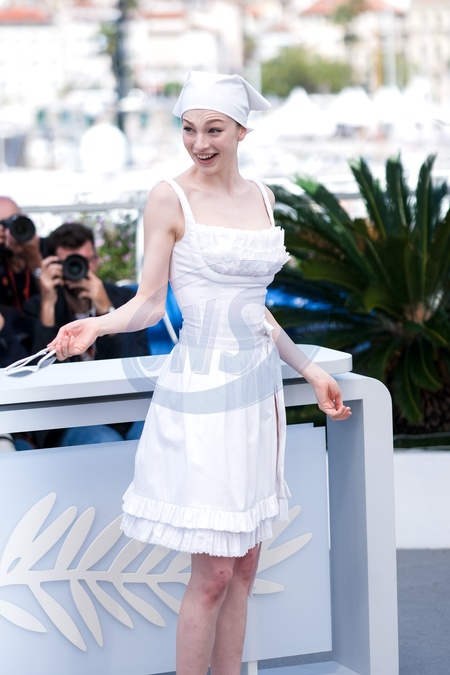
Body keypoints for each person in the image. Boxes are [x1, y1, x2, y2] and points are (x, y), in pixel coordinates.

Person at [49, 70, 351, 674]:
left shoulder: (262, 197)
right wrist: (96, 326)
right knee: (212, 574)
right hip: (203, 391)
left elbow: (254, 310)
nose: (199, 143)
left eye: (214, 130)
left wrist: (310, 370)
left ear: (242, 131)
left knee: (245, 566)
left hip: (259, 392)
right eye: (188, 129)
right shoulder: (170, 196)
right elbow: (149, 304)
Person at [25, 221, 150, 446]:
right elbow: (36, 376)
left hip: (122, 408)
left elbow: (138, 364)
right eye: (70, 263)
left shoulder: (124, 300)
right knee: (105, 441)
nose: (79, 269)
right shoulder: (39, 306)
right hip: (66, 415)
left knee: (152, 435)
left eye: (86, 261)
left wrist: (107, 311)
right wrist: (47, 306)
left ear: (96, 260)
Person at [0, 196, 42, 314]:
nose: (8, 231)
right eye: (2, 224)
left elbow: (57, 299)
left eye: (14, 221)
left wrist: (35, 259)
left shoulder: (45, 247)